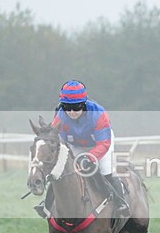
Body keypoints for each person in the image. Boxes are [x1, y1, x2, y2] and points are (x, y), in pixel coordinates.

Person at [35, 79, 130, 218]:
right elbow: (55, 135)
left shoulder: (99, 114)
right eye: (67, 107)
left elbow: (104, 144)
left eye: (76, 107)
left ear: (84, 104)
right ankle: (47, 205)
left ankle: (121, 203)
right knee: (58, 171)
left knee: (105, 170)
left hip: (100, 143)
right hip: (75, 143)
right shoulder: (61, 114)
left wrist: (88, 157)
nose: (71, 112)